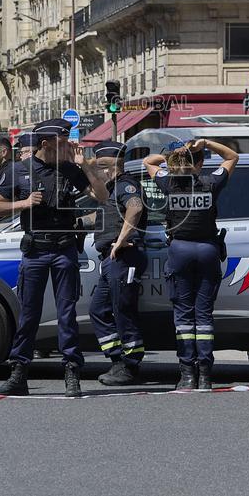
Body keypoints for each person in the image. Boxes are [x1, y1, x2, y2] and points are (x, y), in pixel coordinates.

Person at [0, 118, 110, 397]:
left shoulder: (70, 169)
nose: (69, 146)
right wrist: (24, 203)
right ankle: (19, 375)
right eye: (63, 142)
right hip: (35, 251)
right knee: (28, 315)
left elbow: (102, 196)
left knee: (67, 315)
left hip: (64, 250)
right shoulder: (19, 169)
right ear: (45, 144)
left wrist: (85, 165)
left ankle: (72, 373)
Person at [143, 138, 238, 391]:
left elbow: (148, 162)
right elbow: (232, 157)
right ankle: (205, 375)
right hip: (207, 250)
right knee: (203, 315)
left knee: (184, 315)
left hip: (180, 251)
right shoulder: (211, 183)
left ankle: (187, 374)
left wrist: (173, 157)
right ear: (201, 163)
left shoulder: (169, 182)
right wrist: (205, 143)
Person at [88, 140, 149, 386]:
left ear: (107, 167)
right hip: (112, 259)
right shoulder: (112, 188)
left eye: (98, 168)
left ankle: (130, 366)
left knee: (123, 310)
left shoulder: (126, 185)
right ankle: (117, 360)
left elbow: (135, 208)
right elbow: (106, 213)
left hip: (124, 257)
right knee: (98, 310)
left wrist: (121, 240)